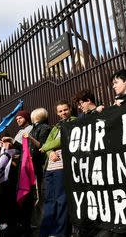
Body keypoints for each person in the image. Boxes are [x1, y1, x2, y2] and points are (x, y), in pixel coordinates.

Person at [38, 100, 75, 237]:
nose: (63, 113)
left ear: (70, 109)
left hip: (63, 166)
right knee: (49, 200)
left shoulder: (74, 121)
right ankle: (46, 232)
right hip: (50, 167)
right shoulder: (56, 126)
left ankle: (61, 233)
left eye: (65, 110)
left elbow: (63, 139)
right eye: (60, 111)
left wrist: (46, 147)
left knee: (61, 200)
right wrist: (49, 151)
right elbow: (48, 143)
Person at [22, 108, 52, 231]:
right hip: (33, 166)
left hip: (39, 166)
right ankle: (39, 222)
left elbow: (42, 146)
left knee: (40, 195)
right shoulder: (35, 128)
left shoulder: (44, 128)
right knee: (36, 195)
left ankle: (42, 223)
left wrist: (30, 138)